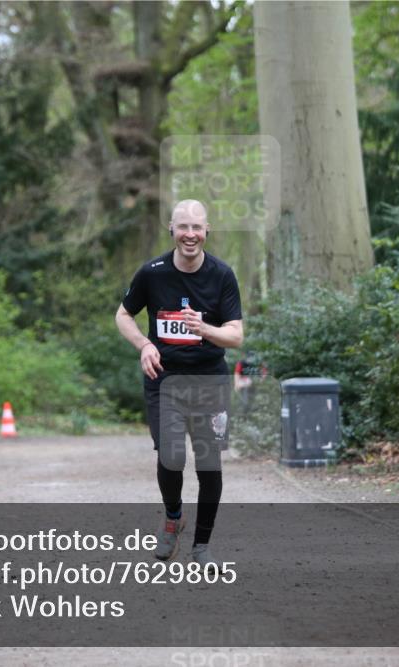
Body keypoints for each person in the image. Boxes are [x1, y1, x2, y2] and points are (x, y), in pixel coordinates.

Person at [115, 199, 243, 570]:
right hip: (165, 379)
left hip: (208, 381)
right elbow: (124, 315)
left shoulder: (222, 275)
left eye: (197, 227)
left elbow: (235, 336)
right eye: (183, 227)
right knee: (171, 456)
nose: (190, 234)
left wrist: (204, 328)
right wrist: (145, 344)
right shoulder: (152, 273)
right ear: (171, 230)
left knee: (208, 465)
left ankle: (202, 547)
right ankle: (173, 516)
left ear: (207, 232)